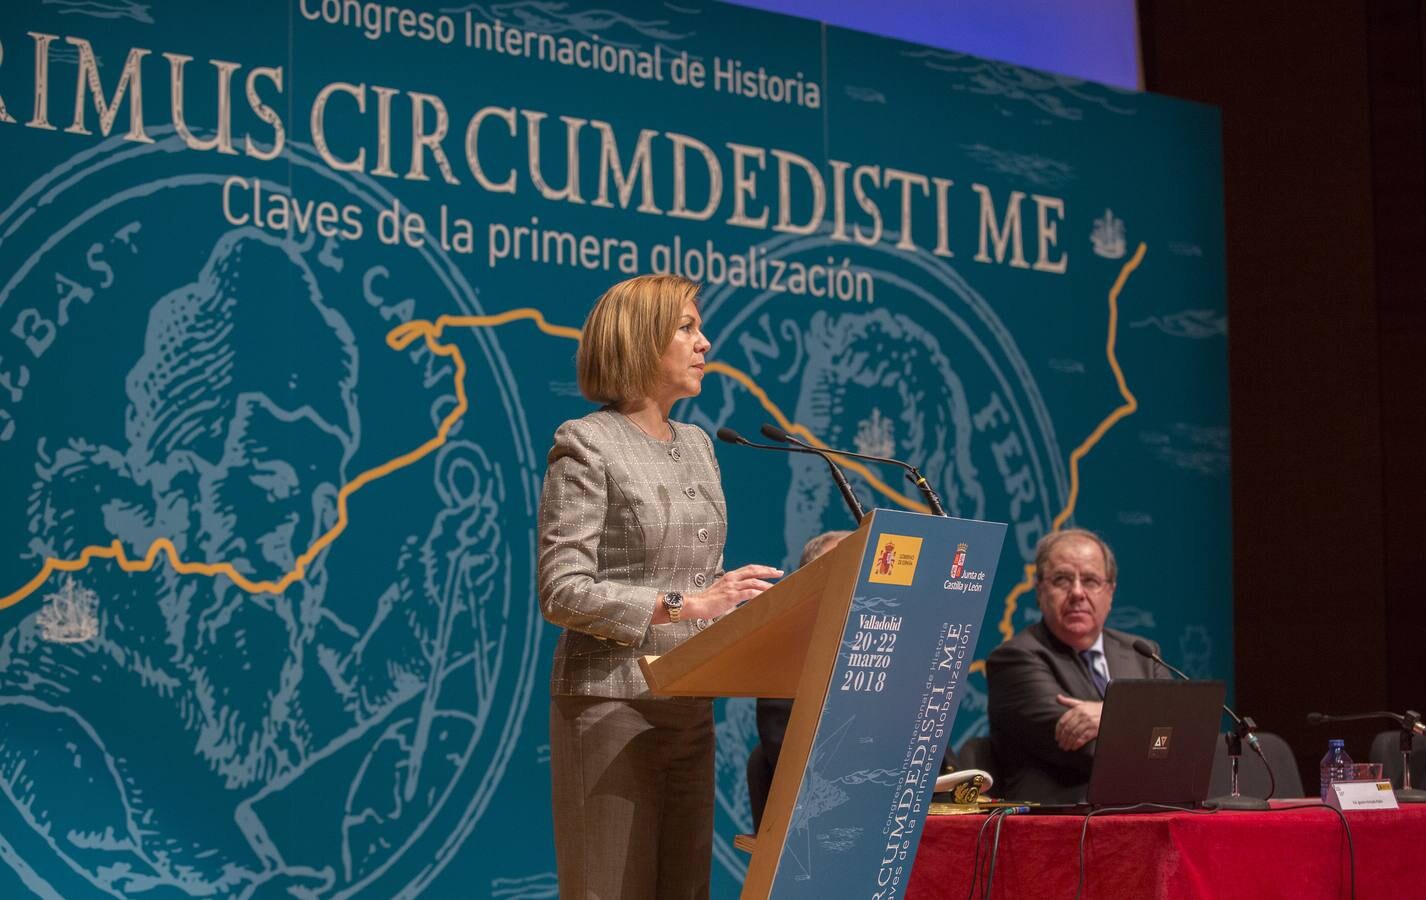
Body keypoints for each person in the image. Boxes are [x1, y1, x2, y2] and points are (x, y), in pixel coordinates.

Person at [538, 274, 783, 899]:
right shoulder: (587, 443)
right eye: (687, 327)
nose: (705, 342)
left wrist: (730, 596)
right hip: (611, 707)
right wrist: (688, 604)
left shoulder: (700, 445)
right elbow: (562, 590)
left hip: (688, 703)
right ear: (642, 340)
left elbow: (698, 573)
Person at [985, 528, 1166, 803]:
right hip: (1060, 822)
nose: (1078, 592)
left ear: (1110, 591)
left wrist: (1108, 714)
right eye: (1062, 580)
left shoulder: (1143, 653)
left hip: (1143, 809)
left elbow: (1183, 735)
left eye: (1091, 580)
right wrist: (1149, 727)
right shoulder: (1014, 659)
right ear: (1040, 590)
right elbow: (1089, 750)